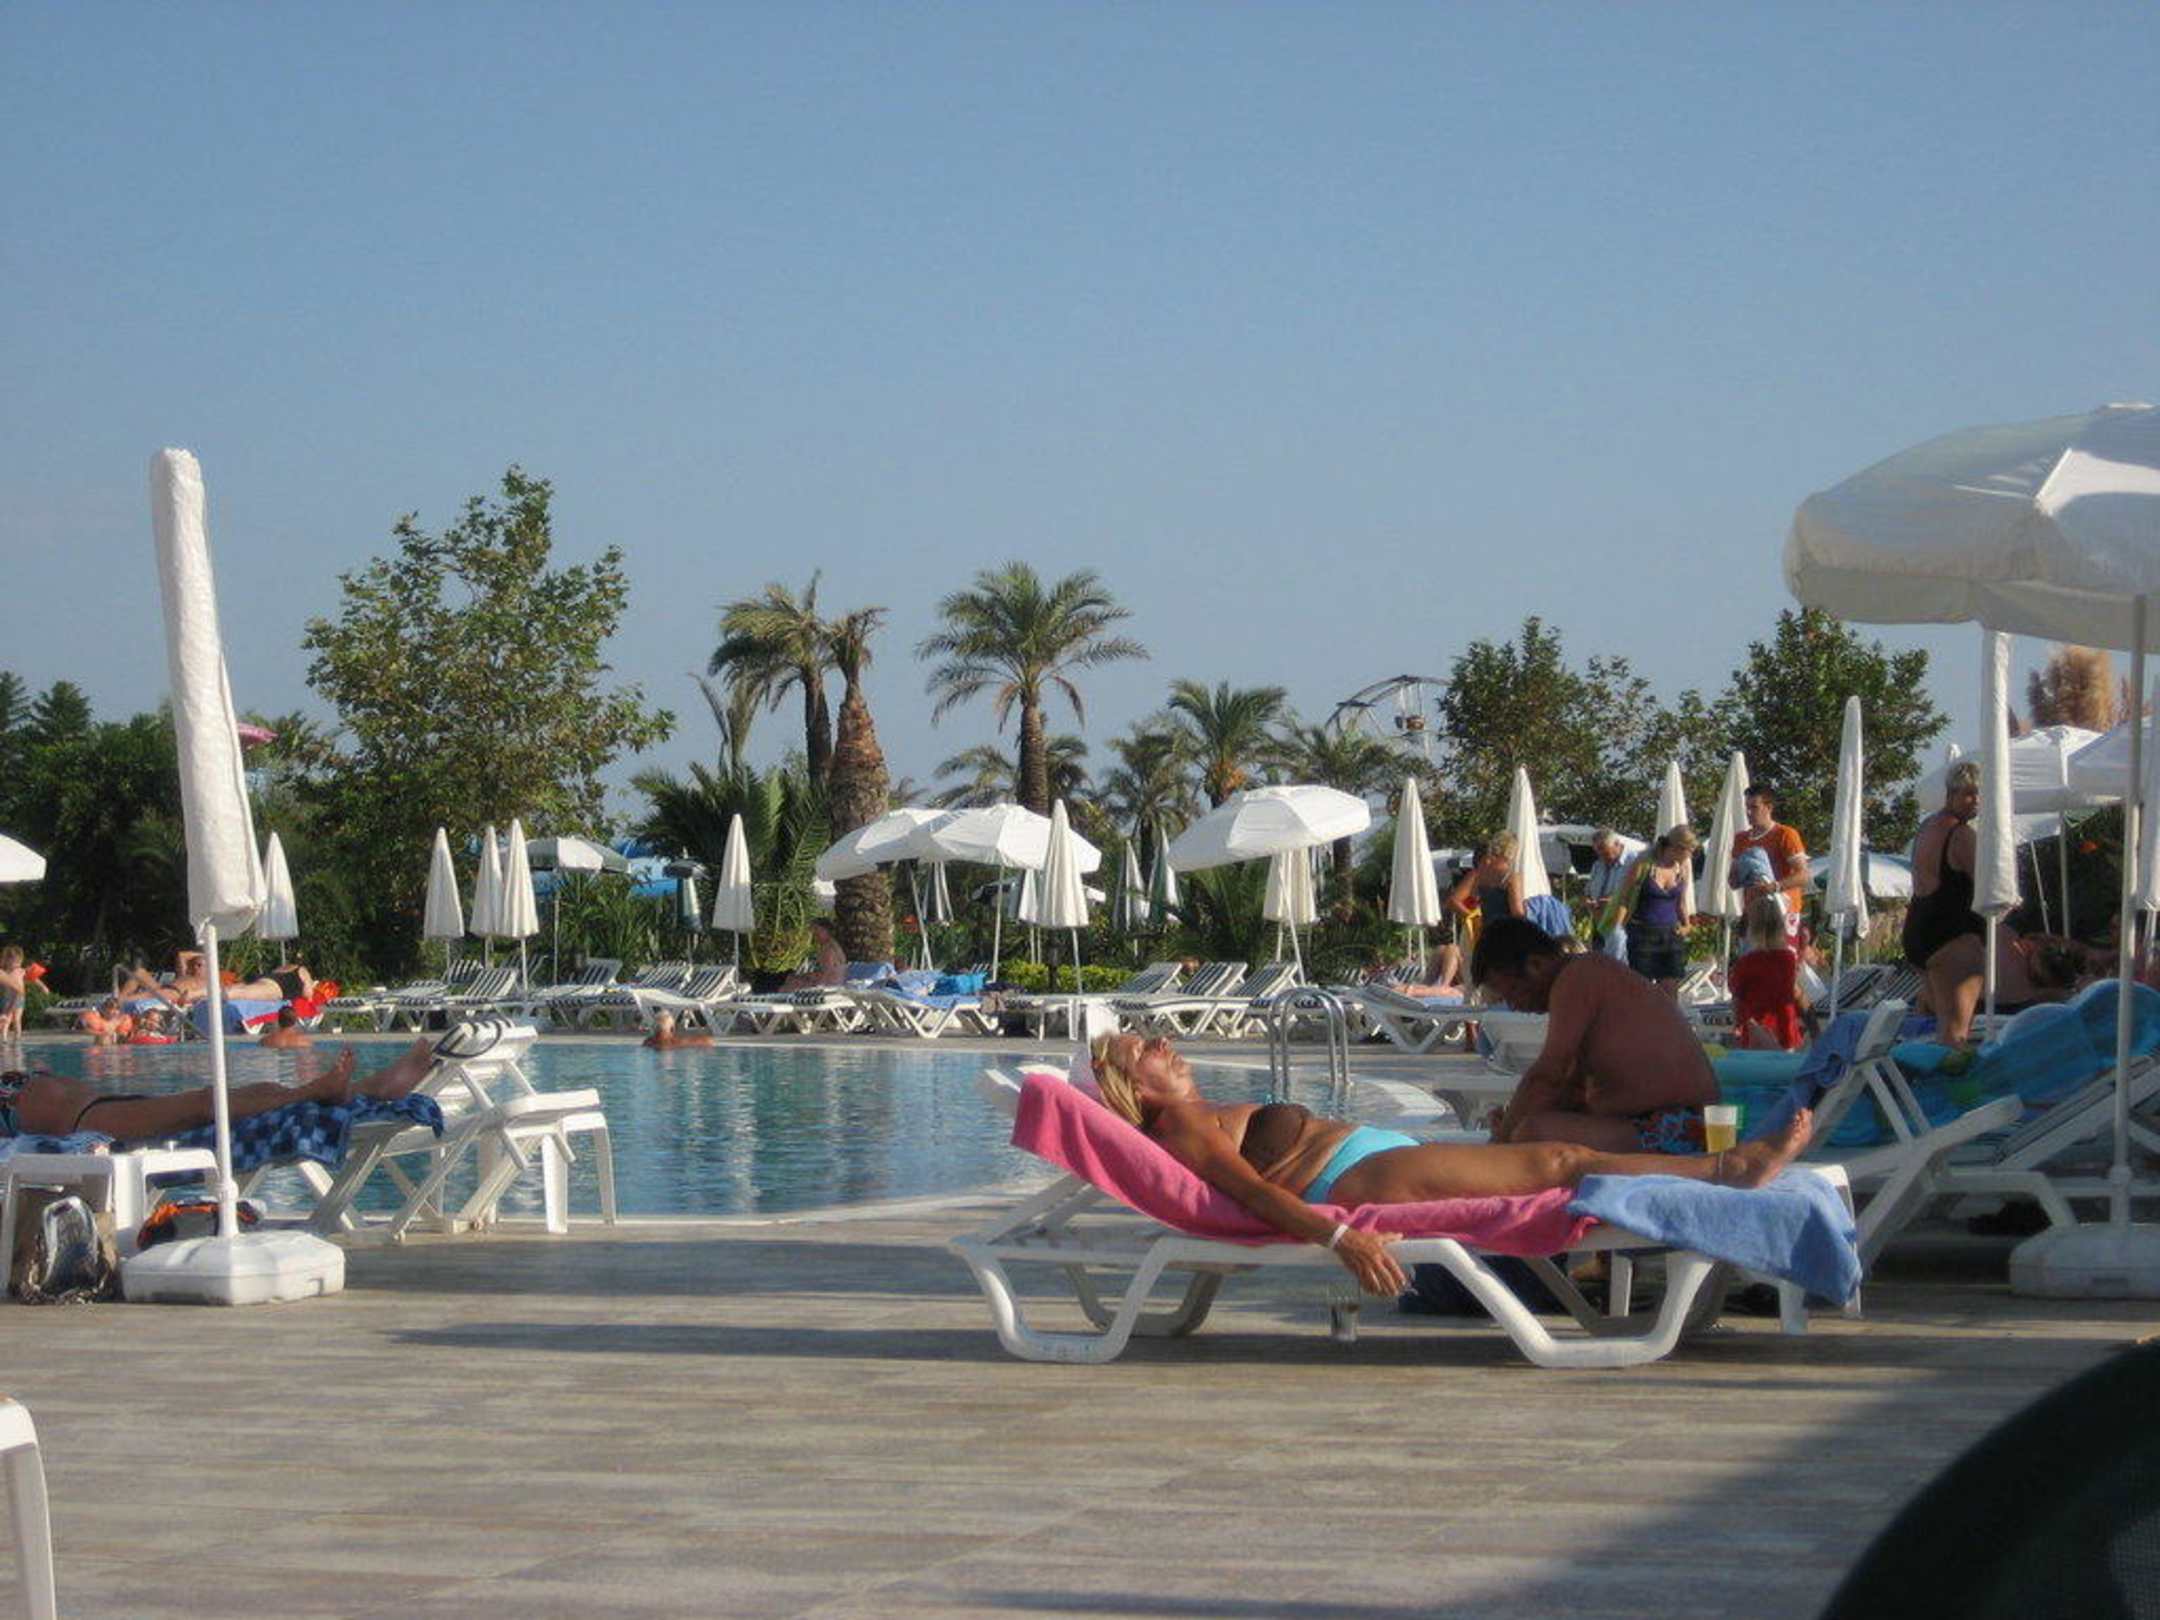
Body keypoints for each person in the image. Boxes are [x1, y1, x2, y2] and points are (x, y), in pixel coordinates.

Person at [1087, 1030, 1814, 1296]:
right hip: (1358, 1180)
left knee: (1557, 1155)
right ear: (1133, 1088)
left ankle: (1725, 1169)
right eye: (1142, 1049)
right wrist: (1341, 1237)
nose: (1161, 1044)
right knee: (1563, 1162)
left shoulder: (1201, 1111)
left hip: (1375, 1159)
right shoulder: (1184, 1125)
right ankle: (1731, 1171)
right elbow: (1251, 1192)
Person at [1471, 917, 1723, 1152]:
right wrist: (1513, 1119)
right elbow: (1569, 1089)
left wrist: (1501, 1140)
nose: (1514, 1006)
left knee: (1532, 1134)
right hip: (1678, 1123)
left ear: (1535, 965)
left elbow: (1548, 1075)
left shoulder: (1577, 977)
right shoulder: (1587, 976)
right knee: (1527, 1129)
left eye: (1513, 992)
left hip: (1681, 1127)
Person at [0, 1039, 433, 1143]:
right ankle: (321, 1091)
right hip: (86, 1123)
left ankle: (361, 1088)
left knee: (254, 1088)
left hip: (98, 1109)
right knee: (207, 1103)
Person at [1603, 826, 1699, 999]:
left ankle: (1668, 1017)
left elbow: (1681, 903)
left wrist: (1687, 925)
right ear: (1678, 847)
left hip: (1671, 934)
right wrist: (1617, 929)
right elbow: (1625, 898)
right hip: (1642, 934)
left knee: (1670, 990)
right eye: (1690, 851)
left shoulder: (1683, 867)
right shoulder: (1644, 864)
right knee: (1642, 991)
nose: (1691, 856)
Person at [1729, 894, 1808, 1050]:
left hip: (1756, 1032)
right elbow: (1793, 991)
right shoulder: (1788, 959)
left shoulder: (1746, 963)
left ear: (1752, 928)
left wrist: (1737, 1025)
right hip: (1785, 1030)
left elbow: (1737, 998)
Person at [1733, 786, 1809, 943]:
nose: (1749, 812)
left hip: (1784, 912)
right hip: (1754, 914)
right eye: (1747, 807)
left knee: (1782, 958)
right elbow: (1733, 882)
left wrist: (1774, 886)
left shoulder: (1785, 834)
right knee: (1752, 958)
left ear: (1769, 808)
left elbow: (1804, 876)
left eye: (1754, 807)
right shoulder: (1741, 839)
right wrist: (1740, 871)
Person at [1448, 833, 1525, 930]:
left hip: (1486, 931)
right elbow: (1517, 913)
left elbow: (1453, 901)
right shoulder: (1512, 877)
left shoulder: (1480, 874)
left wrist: (1474, 918)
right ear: (1512, 852)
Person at [1582, 829, 1631, 951]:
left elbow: (1637, 894)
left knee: (1617, 961)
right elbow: (1587, 891)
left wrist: (1613, 901)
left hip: (1621, 925)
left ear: (1617, 844)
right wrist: (1587, 900)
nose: (1602, 856)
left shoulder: (1633, 862)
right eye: (1598, 852)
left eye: (1605, 852)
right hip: (1598, 923)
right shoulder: (1597, 865)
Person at [643, 1011, 713, 1049]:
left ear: (654, 1028)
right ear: (672, 1028)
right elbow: (708, 1041)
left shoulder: (648, 1042)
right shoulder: (678, 1042)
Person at [0, 947, 24, 1039]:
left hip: (18, 999)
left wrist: (43, 987)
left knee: (16, 1019)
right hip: (7, 998)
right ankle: (4, 1038)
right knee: (7, 1018)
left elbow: (33, 978)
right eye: (14, 962)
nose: (17, 964)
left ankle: (17, 1038)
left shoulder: (21, 971)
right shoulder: (4, 972)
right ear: (7, 961)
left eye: (18, 962)